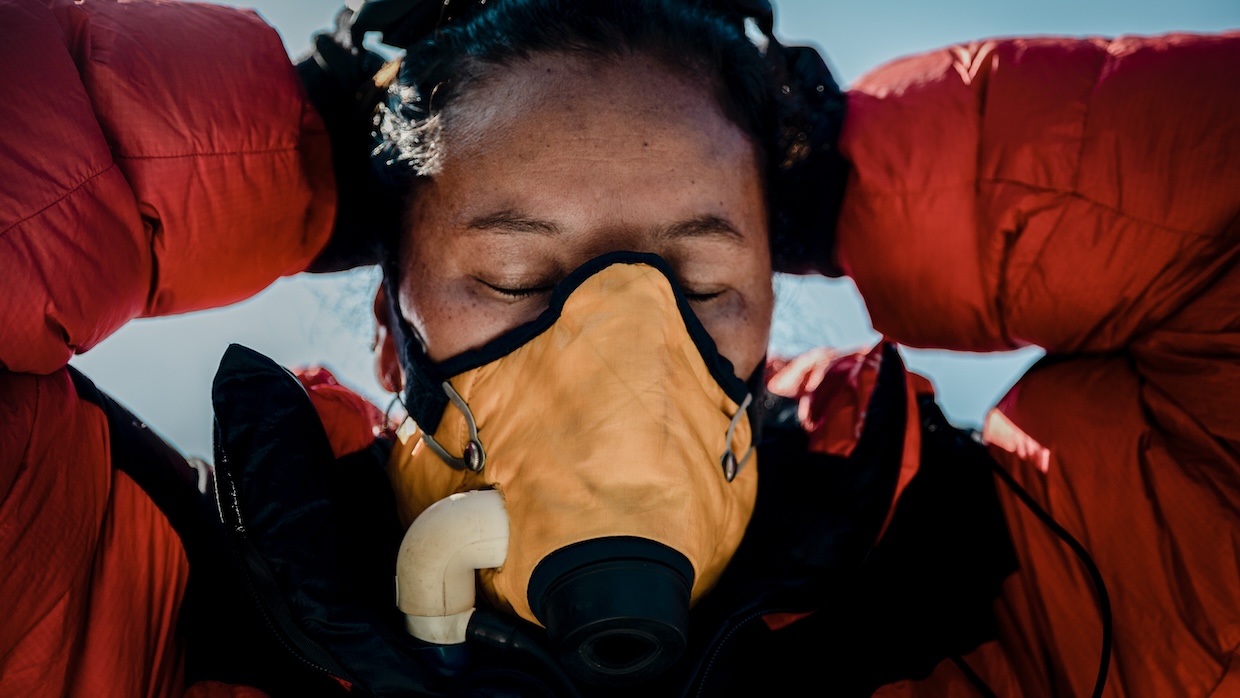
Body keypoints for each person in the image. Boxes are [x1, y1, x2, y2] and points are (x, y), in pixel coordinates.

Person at [1, 1, 1236, 697]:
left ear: (775, 277)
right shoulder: (148, 610)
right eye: (515, 271)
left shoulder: (1002, 593)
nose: (622, 361)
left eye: (700, 278)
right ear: (392, 329)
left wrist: (860, 168)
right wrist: (293, 158)